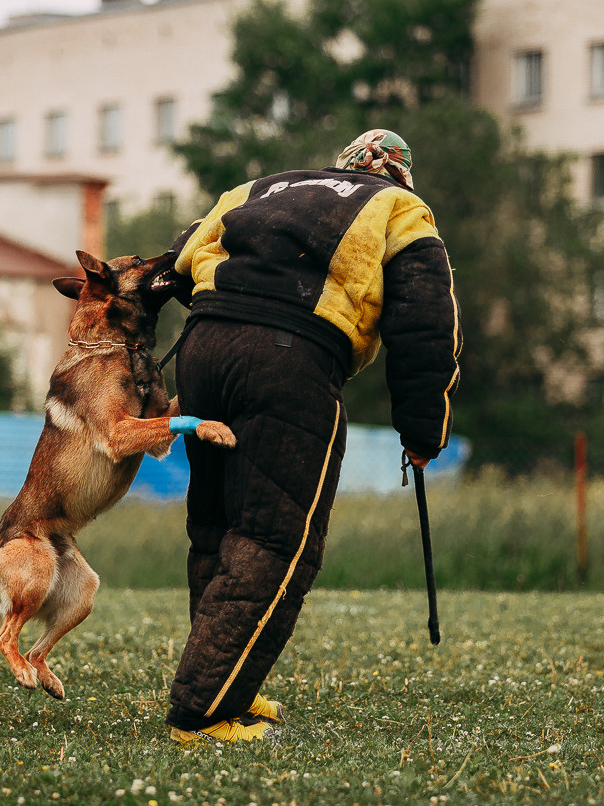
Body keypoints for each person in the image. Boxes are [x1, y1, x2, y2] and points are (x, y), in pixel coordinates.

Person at [163, 129, 462, 744]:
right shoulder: (400, 209)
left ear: (344, 164)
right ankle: (205, 709)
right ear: (401, 174)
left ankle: (228, 684)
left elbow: (176, 257)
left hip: (203, 345)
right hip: (290, 360)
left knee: (215, 527)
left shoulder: (261, 188)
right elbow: (426, 322)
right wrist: (422, 431)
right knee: (275, 539)